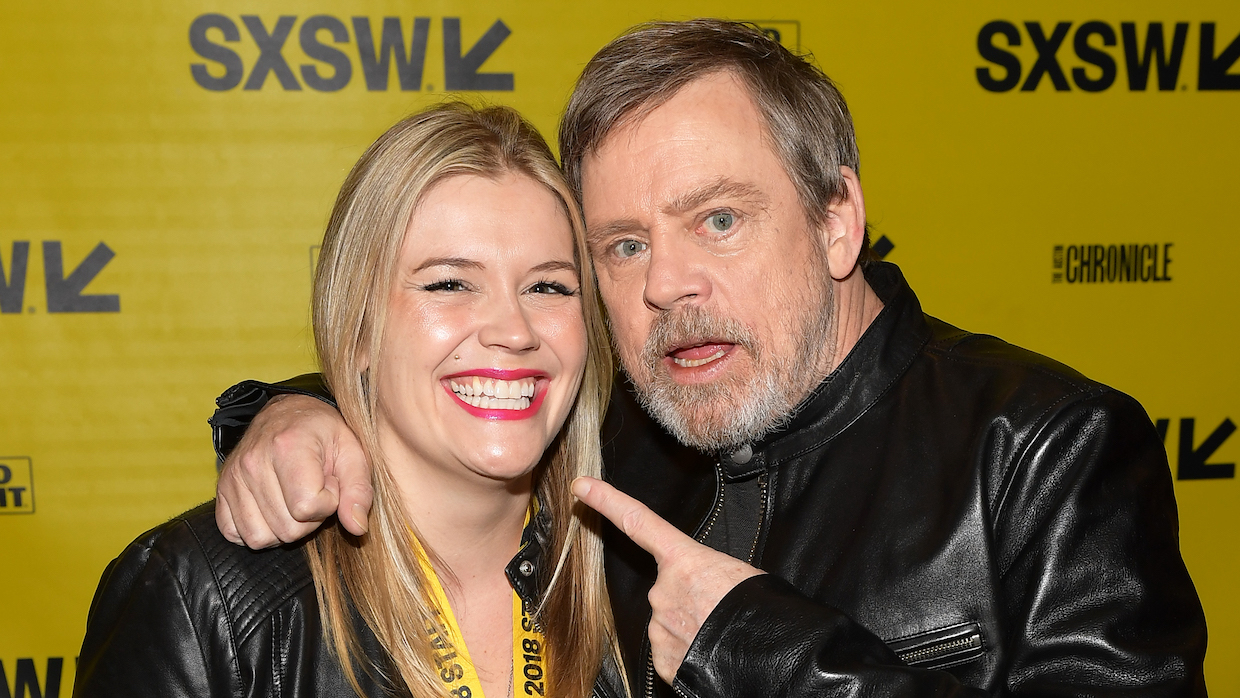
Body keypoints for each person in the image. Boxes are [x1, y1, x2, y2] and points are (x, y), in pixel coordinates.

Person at [209, 20, 1208, 698]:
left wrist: (766, 647)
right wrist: (292, 413)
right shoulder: (626, 442)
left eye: (718, 219)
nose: (666, 285)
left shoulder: (1042, 450)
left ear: (835, 220)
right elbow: (451, 398)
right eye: (624, 244)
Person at [75, 104, 627, 698]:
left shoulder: (641, 576)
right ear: (358, 329)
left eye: (548, 286)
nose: (514, 330)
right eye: (448, 283)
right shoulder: (202, 596)